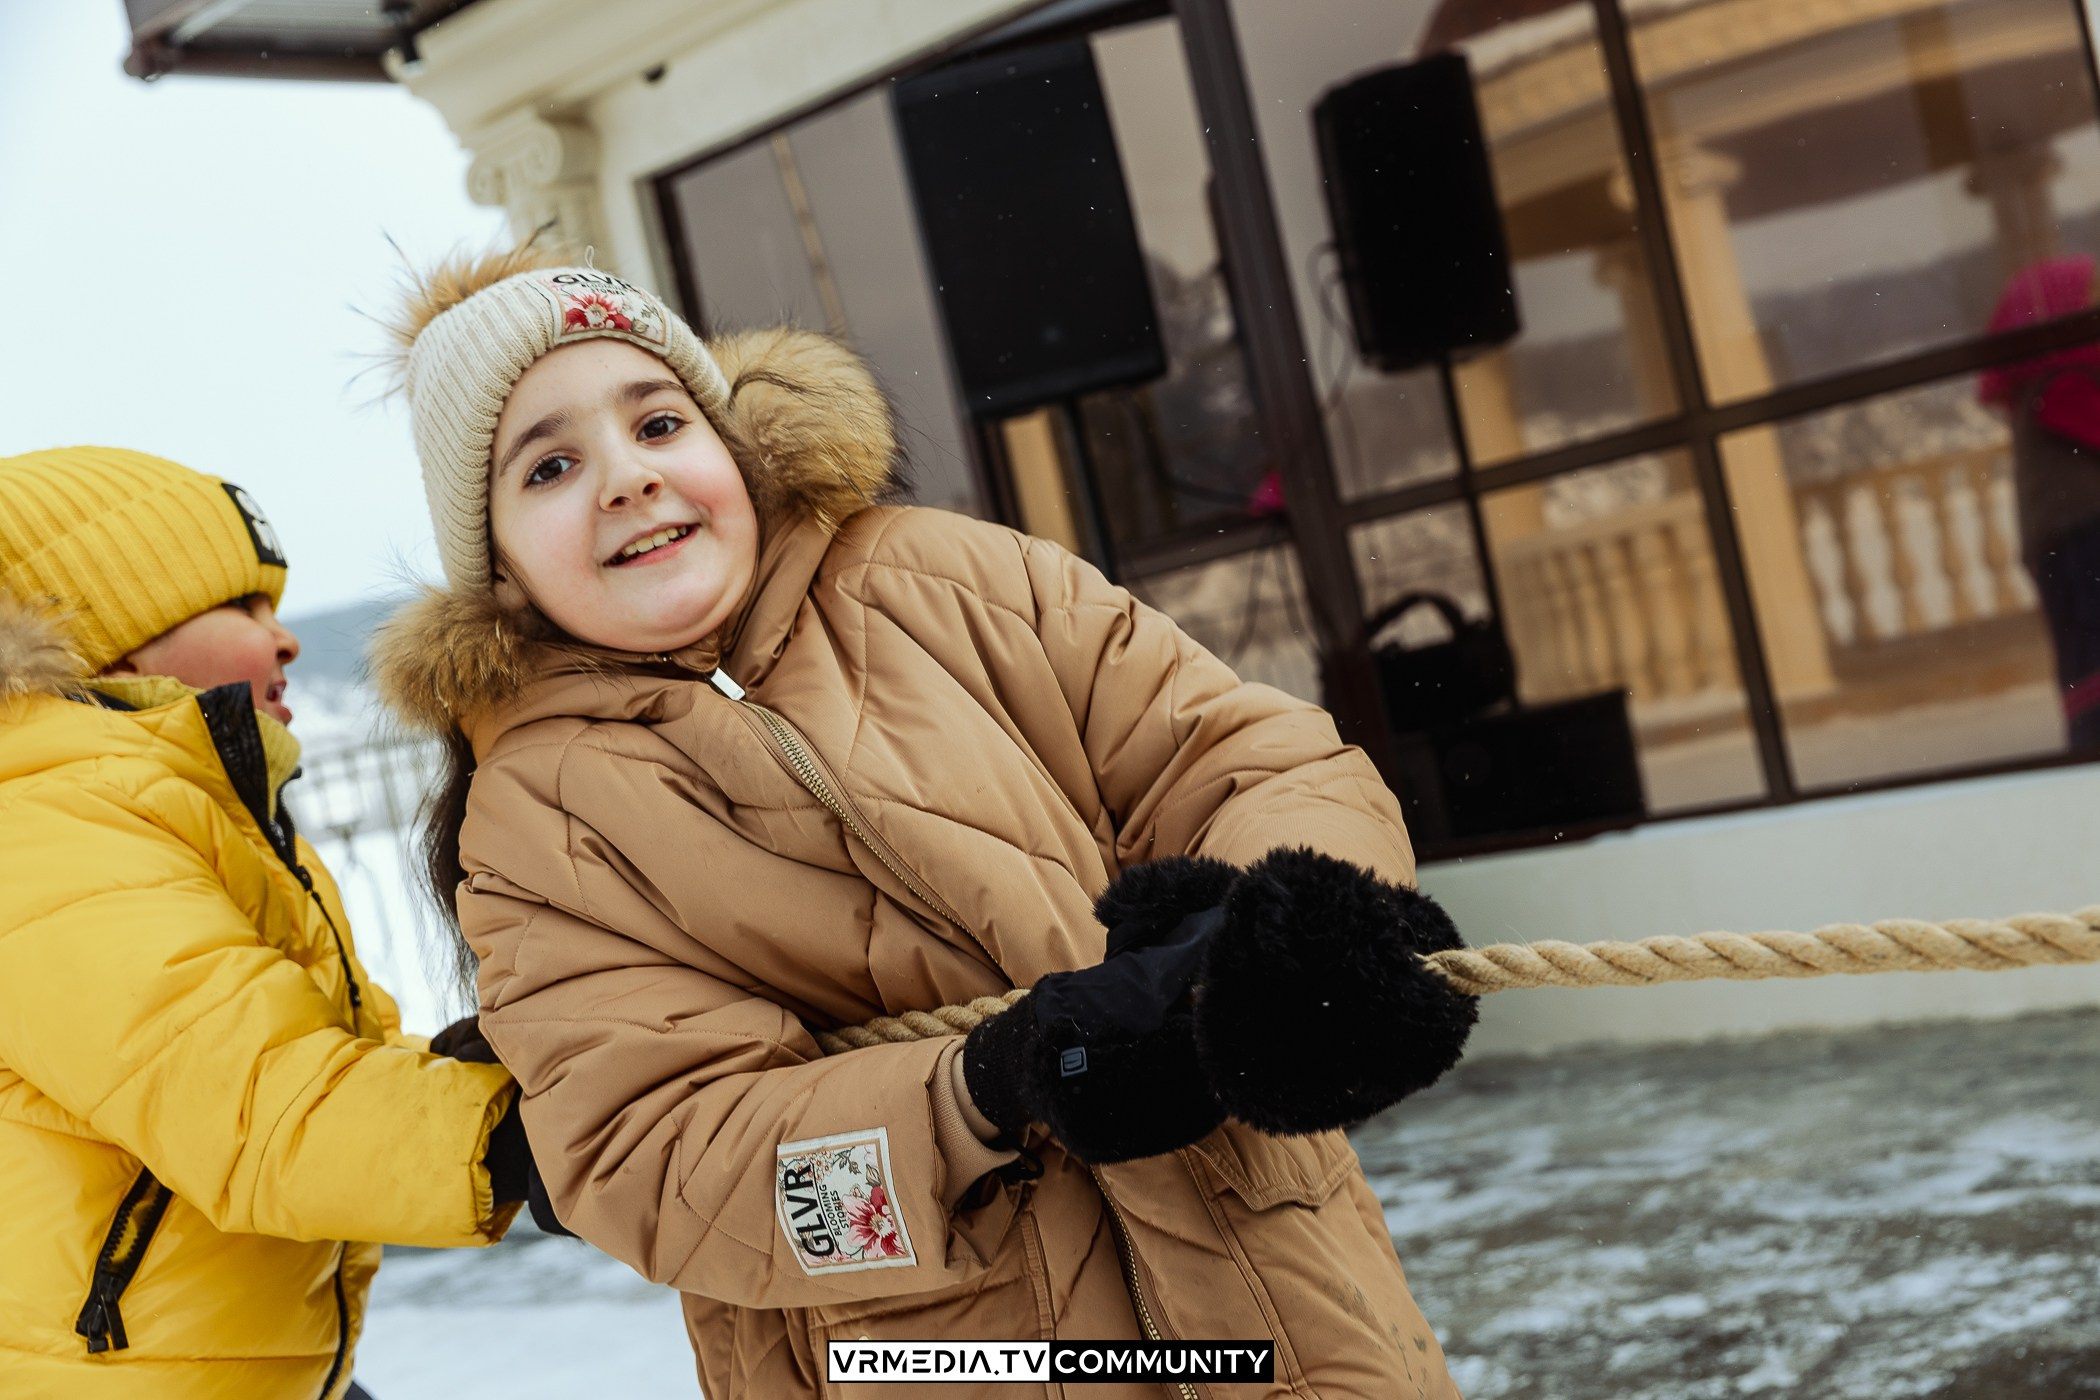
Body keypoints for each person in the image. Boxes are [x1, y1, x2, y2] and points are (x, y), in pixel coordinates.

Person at [372, 246, 1478, 1398]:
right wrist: (986, 1088)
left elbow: (1240, 753)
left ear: (734, 446)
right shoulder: (538, 820)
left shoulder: (949, 577)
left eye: (657, 425)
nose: (625, 478)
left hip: (1281, 1306)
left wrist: (1279, 922)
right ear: (496, 571)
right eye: (548, 466)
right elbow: (658, 1155)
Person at [0, 447, 531, 1400]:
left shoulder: (175, 800)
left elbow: (271, 1044)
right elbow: (252, 1104)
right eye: (244, 609)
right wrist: (512, 1129)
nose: (284, 640)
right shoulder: (43, 831)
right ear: (113, 638)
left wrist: (452, 1072)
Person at [1980, 254, 2100, 751]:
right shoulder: (2064, 382)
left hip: (2064, 537)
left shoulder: (2047, 385)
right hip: (2083, 533)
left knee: (2084, 657)